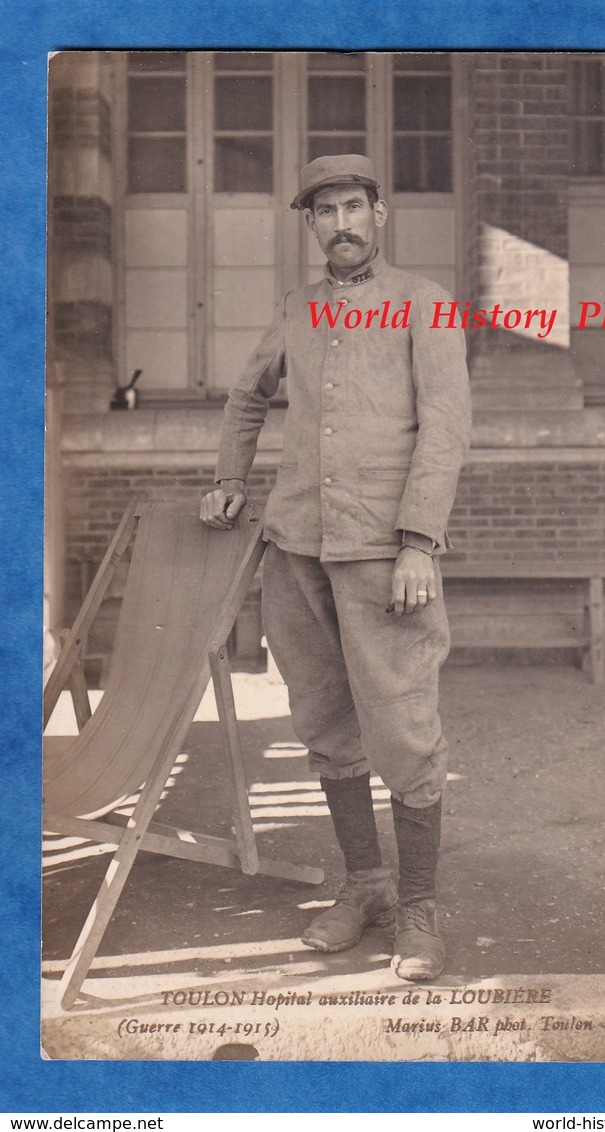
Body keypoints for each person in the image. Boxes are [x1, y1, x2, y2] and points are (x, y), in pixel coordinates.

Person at [201, 154, 471, 981]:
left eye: (353, 207)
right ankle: (365, 887)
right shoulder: (298, 310)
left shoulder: (422, 304)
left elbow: (446, 425)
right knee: (325, 723)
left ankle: (418, 912)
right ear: (311, 226)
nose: (340, 224)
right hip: (297, 550)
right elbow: (249, 395)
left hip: (385, 556)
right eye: (324, 213)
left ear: (379, 215)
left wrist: (419, 541)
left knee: (404, 731)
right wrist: (228, 478)